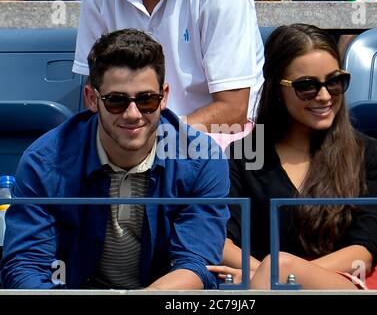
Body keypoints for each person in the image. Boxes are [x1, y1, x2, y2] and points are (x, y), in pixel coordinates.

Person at [0, 28, 230, 289]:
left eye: (146, 100)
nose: (133, 114)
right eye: (116, 101)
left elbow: (196, 263)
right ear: (91, 98)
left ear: (164, 97)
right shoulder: (45, 162)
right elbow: (26, 266)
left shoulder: (201, 159)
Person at [207, 24, 377, 290]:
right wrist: (270, 274)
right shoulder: (244, 154)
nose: (323, 96)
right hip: (260, 281)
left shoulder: (374, 156)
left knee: (283, 265)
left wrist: (279, 274)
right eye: (306, 86)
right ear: (276, 89)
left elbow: (362, 253)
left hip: (347, 283)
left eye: (334, 82)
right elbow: (223, 242)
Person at [72, 0, 264, 145]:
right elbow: (97, 91)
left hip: (211, 139)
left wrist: (154, 136)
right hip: (133, 137)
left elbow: (233, 112)